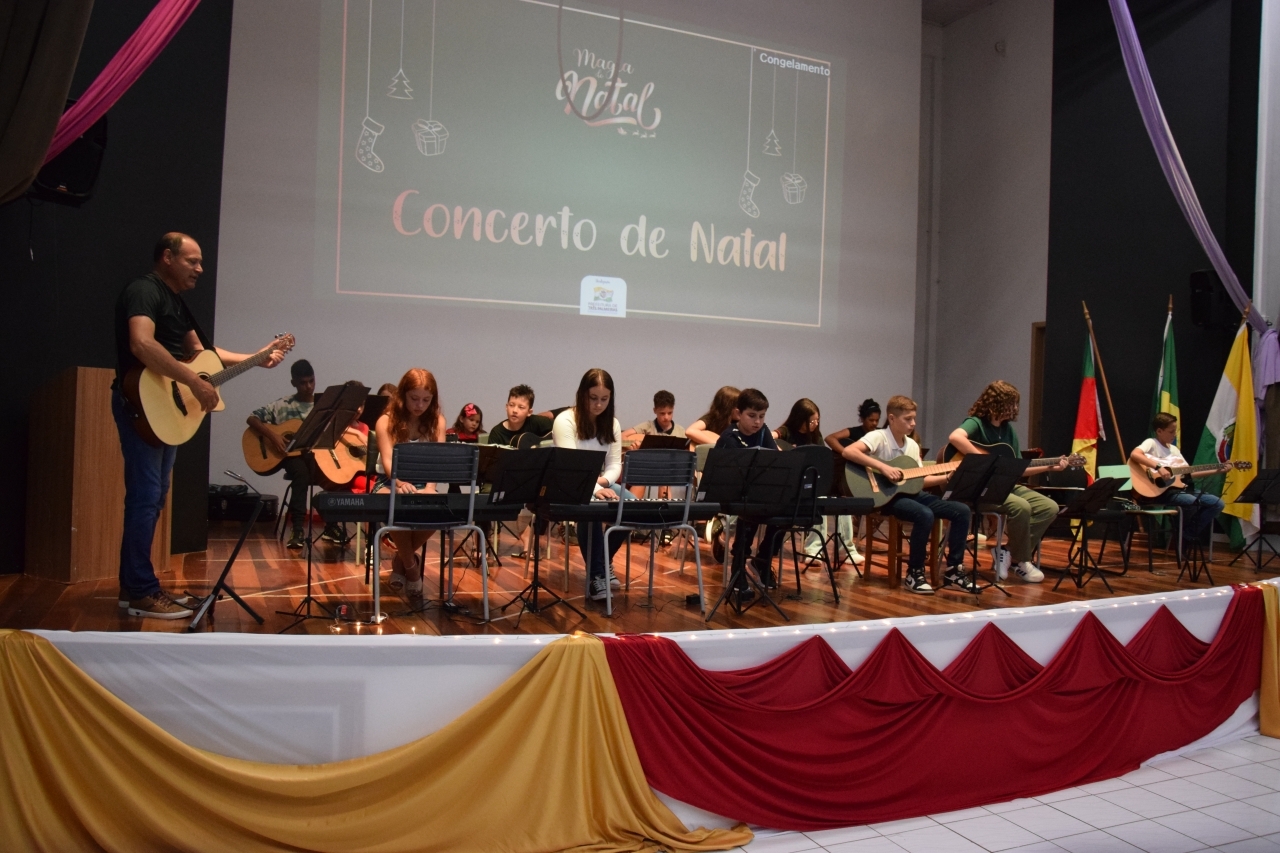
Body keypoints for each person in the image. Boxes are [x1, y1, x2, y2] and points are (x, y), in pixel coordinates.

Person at [114, 232, 284, 618]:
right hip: (143, 401)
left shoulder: (176, 302)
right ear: (167, 257)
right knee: (145, 497)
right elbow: (141, 343)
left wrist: (256, 357)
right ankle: (140, 591)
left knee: (154, 496)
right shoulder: (144, 290)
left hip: (165, 407)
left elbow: (202, 353)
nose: (200, 269)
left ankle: (134, 587)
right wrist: (193, 381)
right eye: (192, 261)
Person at [841, 395, 974, 595]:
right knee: (924, 514)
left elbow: (917, 480)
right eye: (908, 419)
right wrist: (883, 468)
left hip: (911, 494)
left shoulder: (911, 445)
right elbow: (849, 452)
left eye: (914, 418)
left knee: (961, 510)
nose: (913, 423)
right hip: (886, 498)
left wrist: (946, 477)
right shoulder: (878, 437)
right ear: (892, 418)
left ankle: (954, 571)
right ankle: (915, 573)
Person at [947, 381, 1062, 584]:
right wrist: (985, 461)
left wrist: (1049, 467)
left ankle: (1009, 552)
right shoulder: (976, 423)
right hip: (978, 488)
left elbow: (1020, 468)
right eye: (1011, 403)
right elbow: (955, 437)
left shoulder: (1009, 431)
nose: (1015, 408)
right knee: (1021, 507)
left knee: (1049, 507)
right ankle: (1022, 560)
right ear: (996, 403)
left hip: (1003, 484)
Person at [552, 368, 628, 602]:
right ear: (582, 394)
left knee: (634, 508)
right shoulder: (565, 421)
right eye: (593, 398)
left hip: (598, 483)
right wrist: (596, 489)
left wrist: (601, 483)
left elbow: (614, 465)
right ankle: (597, 575)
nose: (598, 405)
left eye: (604, 399)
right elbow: (571, 467)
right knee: (591, 510)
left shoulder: (612, 423)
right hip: (567, 484)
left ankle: (602, 562)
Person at [374, 368, 447, 596]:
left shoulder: (437, 421)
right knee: (396, 505)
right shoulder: (385, 421)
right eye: (414, 398)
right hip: (389, 480)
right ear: (402, 395)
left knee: (440, 511)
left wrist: (430, 488)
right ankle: (412, 569)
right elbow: (388, 462)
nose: (420, 405)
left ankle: (401, 561)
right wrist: (399, 483)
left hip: (423, 481)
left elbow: (437, 462)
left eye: (426, 400)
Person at [246, 359, 333, 549]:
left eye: (311, 381)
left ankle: (332, 526)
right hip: (289, 457)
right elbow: (252, 418)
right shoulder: (283, 405)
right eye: (303, 383)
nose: (308, 387)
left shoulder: (322, 407)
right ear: (293, 382)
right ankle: (298, 529)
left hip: (314, 457)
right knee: (301, 473)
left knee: (336, 473)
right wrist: (274, 436)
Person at [714, 389, 785, 601]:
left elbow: (774, 462)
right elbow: (727, 478)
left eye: (762, 416)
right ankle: (738, 567)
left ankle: (762, 560)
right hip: (732, 494)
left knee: (785, 510)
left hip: (758, 494)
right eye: (752, 416)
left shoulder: (764, 433)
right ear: (738, 413)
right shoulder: (729, 437)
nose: (757, 422)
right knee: (751, 508)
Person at [1129, 412, 1227, 548]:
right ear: (1159, 431)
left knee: (1217, 503)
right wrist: (1158, 467)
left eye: (1175, 431)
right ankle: (1179, 536)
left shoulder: (1174, 450)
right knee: (1191, 501)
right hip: (1158, 492)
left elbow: (1189, 473)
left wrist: (1219, 469)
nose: (1174, 434)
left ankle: (1185, 536)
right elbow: (1135, 454)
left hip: (1177, 490)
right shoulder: (1151, 443)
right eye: (1171, 431)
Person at [487, 385, 554, 447]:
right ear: (506, 407)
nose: (515, 410)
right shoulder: (497, 433)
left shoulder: (537, 422)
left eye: (521, 407)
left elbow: (559, 428)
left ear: (529, 412)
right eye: (511, 405)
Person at [621, 389, 685, 449]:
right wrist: (632, 446)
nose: (666, 417)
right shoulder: (648, 426)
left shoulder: (681, 431)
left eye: (670, 413)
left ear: (673, 409)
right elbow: (621, 435)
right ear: (655, 410)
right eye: (662, 413)